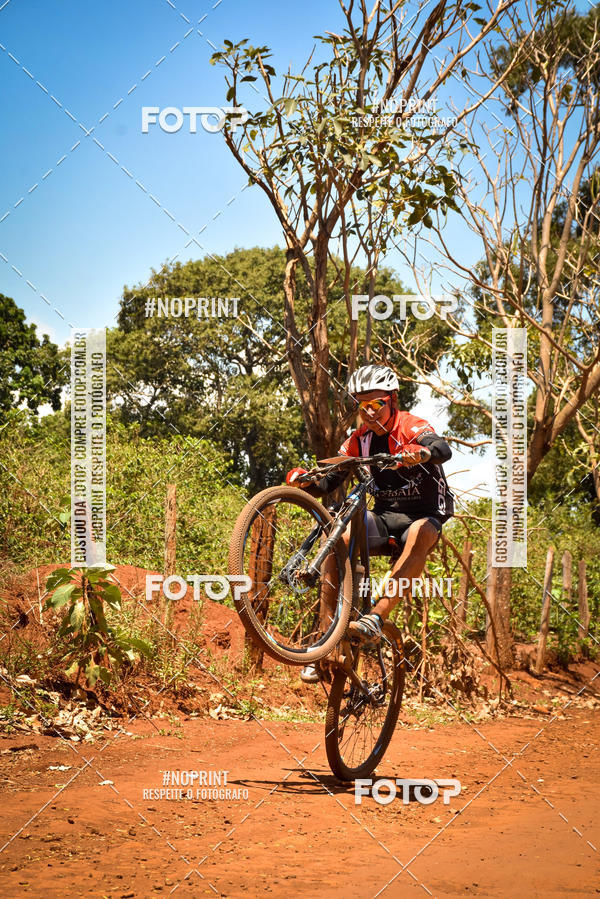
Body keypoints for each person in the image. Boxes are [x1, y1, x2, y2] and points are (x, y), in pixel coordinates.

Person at [285, 363, 454, 682]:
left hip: (427, 514)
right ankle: (324, 641)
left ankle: (376, 616)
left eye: (377, 403)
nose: (370, 412)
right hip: (386, 516)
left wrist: (421, 453)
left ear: (392, 400)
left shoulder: (410, 425)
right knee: (339, 533)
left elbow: (441, 448)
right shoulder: (357, 441)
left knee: (418, 534)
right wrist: (305, 481)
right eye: (363, 406)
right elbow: (328, 481)